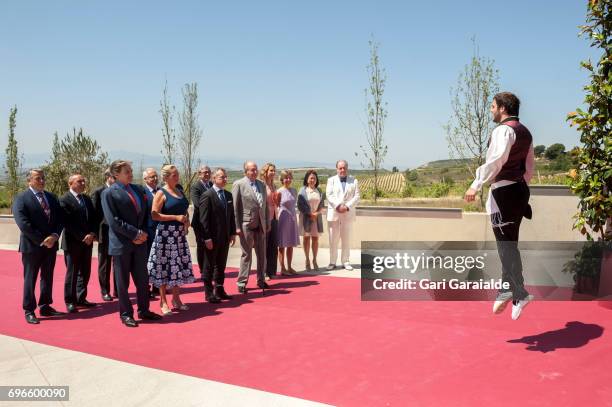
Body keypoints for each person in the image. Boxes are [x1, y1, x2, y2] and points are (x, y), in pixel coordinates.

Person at [464, 92, 535, 320]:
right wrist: (521, 189)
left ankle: (519, 292)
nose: (491, 110)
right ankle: (507, 289)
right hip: (519, 190)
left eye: (493, 106)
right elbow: (529, 166)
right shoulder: (526, 132)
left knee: (506, 245)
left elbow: (495, 161)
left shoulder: (503, 130)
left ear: (503, 108)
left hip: (505, 192)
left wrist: (476, 185)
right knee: (509, 243)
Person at [101, 160, 162, 327]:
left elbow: (143, 214)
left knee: (142, 279)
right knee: (123, 282)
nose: (130, 173)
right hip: (121, 244)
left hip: (140, 242)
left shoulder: (137, 189)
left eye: (130, 170)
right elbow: (113, 221)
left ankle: (144, 310)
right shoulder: (109, 193)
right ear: (116, 174)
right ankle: (126, 314)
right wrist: (134, 233)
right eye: (127, 171)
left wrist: (141, 233)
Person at [13, 169, 64, 324]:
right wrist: (43, 239)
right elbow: (23, 224)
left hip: (51, 246)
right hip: (32, 246)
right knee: (30, 278)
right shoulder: (21, 198)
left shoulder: (51, 197)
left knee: (47, 277)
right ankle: (29, 309)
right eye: (38, 178)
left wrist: (55, 235)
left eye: (43, 178)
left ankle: (45, 305)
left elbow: (59, 219)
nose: (42, 181)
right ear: (29, 181)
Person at [147, 164, 195, 314]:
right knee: (163, 268)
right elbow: (154, 214)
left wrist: (186, 222)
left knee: (177, 267)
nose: (177, 176)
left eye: (177, 174)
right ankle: (163, 301)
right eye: (174, 175)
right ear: (166, 177)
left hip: (179, 236)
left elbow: (184, 210)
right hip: (165, 236)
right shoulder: (161, 193)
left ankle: (176, 298)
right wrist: (175, 217)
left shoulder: (180, 191)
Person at [60, 174, 97, 313]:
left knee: (85, 271)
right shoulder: (64, 200)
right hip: (73, 242)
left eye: (83, 180)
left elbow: (93, 218)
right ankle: (70, 301)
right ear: (71, 183)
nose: (83, 183)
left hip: (87, 242)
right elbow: (67, 223)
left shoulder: (86, 199)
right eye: (79, 181)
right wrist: (83, 236)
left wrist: (92, 233)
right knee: (72, 272)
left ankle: (81, 298)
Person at [198, 168, 237, 303]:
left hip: (224, 237)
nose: (225, 179)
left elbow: (231, 216)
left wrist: (232, 232)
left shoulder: (228, 195)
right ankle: (208, 292)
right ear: (214, 179)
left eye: (226, 177)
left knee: (221, 264)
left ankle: (219, 289)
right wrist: (207, 237)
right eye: (221, 177)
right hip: (212, 238)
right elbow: (203, 219)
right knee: (209, 265)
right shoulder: (207, 195)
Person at [232, 161, 270, 293]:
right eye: (251, 170)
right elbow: (235, 208)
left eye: (255, 169)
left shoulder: (261, 184)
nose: (254, 172)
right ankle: (242, 282)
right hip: (246, 224)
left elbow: (264, 206)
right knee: (246, 254)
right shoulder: (239, 184)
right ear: (246, 171)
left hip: (261, 224)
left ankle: (261, 280)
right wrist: (236, 226)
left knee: (262, 254)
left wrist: (267, 223)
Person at [326, 160, 360, 271]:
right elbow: (329, 195)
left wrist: (347, 206)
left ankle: (345, 261)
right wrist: (338, 206)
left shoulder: (353, 181)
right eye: (340, 168)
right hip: (334, 214)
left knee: (346, 240)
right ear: (337, 169)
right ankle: (332, 262)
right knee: (333, 240)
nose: (342, 170)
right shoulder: (331, 180)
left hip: (347, 214)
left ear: (347, 168)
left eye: (344, 168)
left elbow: (357, 196)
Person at [91, 169, 116, 301]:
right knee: (105, 263)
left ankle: (118, 289)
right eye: (113, 176)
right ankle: (105, 290)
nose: (116, 178)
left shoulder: (119, 190)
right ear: (107, 177)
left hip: (118, 232)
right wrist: (95, 233)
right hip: (104, 232)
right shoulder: (98, 192)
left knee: (118, 263)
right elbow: (94, 215)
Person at [297, 170, 325, 271]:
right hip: (306, 217)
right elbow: (300, 205)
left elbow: (322, 205)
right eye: (311, 178)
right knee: (306, 239)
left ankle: (314, 260)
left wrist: (316, 214)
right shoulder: (302, 190)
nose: (313, 180)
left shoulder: (320, 191)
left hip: (316, 218)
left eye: (314, 178)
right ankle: (307, 260)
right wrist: (310, 213)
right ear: (307, 179)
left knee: (315, 239)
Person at [191, 165, 213, 279]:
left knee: (210, 246)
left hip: (211, 222)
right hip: (199, 222)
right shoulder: (196, 186)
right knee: (201, 245)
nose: (207, 174)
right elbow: (197, 204)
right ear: (199, 174)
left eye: (209, 172)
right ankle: (201, 269)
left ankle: (209, 268)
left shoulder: (211, 185)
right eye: (205, 172)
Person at [277, 170, 300, 275]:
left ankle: (290, 267)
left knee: (290, 244)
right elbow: (276, 207)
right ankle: (282, 268)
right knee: (282, 244)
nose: (288, 179)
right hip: (282, 219)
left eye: (290, 177)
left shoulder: (294, 190)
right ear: (282, 179)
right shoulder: (279, 191)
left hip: (292, 219)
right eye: (286, 177)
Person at [260, 163, 280, 280]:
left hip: (274, 217)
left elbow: (276, 203)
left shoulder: (274, 186)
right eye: (271, 170)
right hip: (265, 219)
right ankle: (264, 272)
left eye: (274, 170)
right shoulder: (262, 185)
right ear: (265, 172)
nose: (273, 172)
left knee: (273, 246)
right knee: (264, 247)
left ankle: (272, 271)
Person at [143, 167, 160, 298]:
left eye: (156, 176)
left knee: (159, 260)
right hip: (147, 232)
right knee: (147, 261)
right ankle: (145, 288)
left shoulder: (160, 192)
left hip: (161, 231)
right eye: (151, 177)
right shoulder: (142, 193)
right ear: (145, 179)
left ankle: (157, 286)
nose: (155, 179)